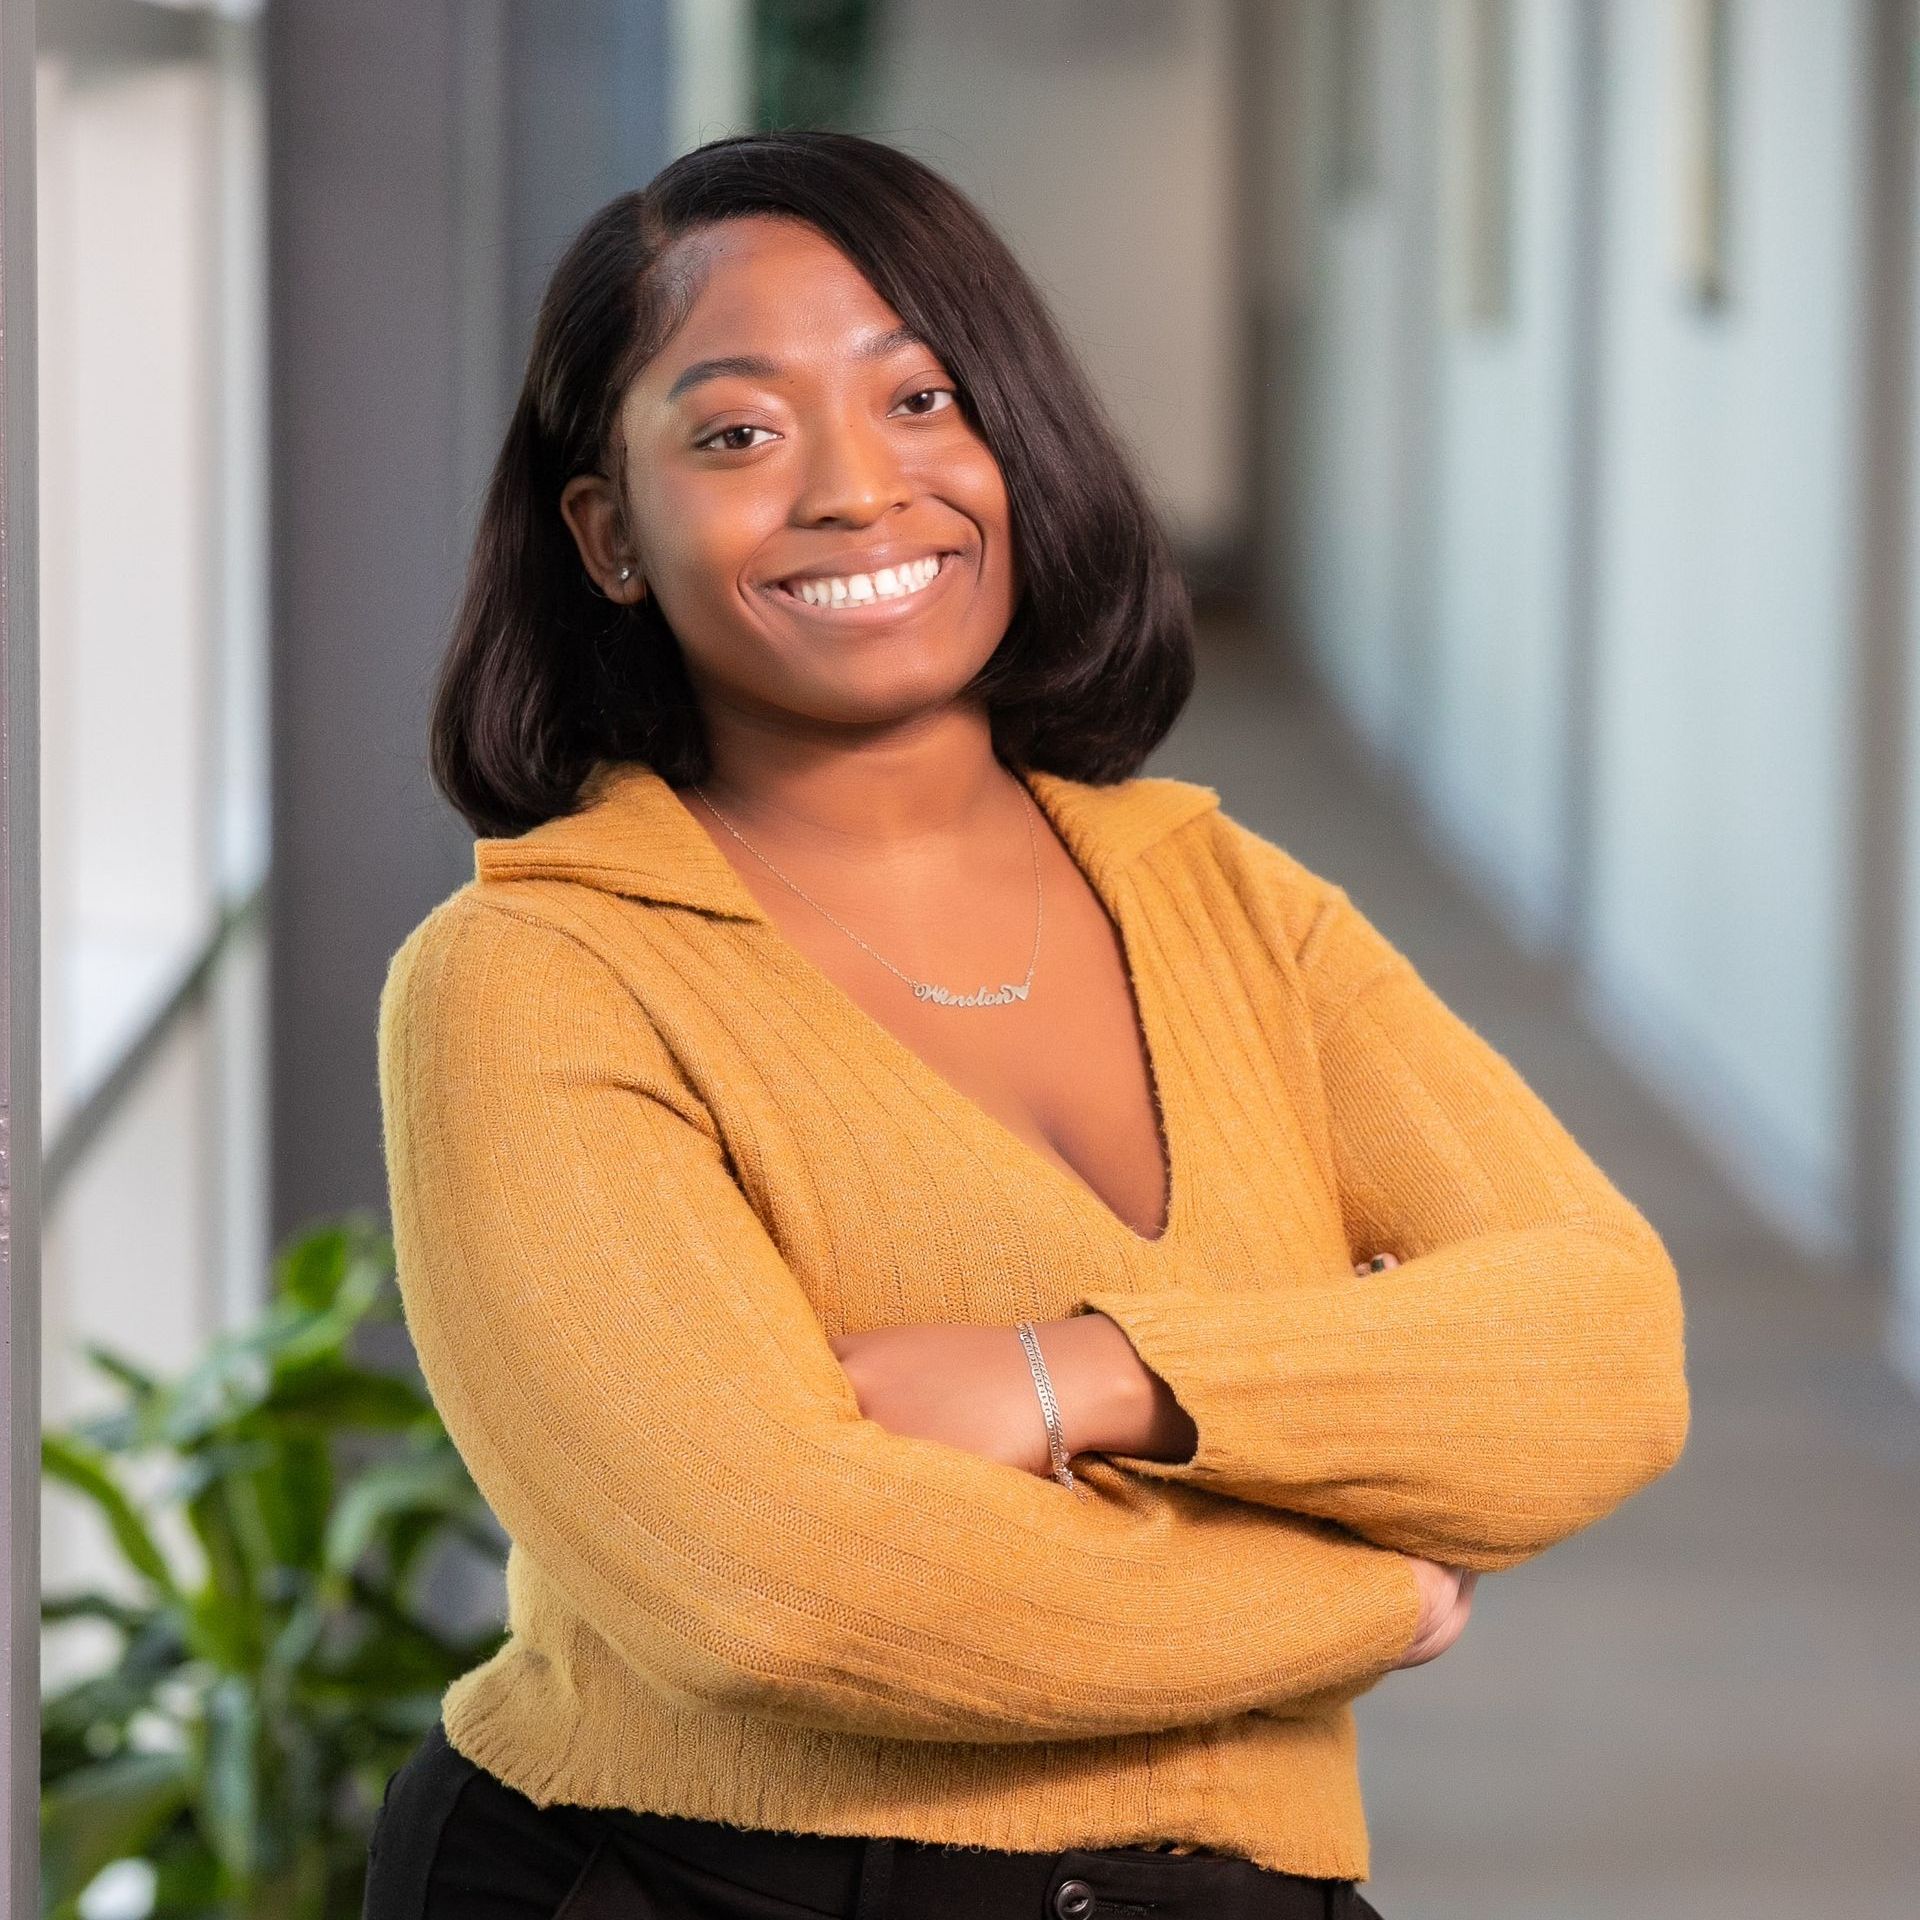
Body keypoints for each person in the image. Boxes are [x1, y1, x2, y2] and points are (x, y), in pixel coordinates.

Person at [365, 130, 1690, 1920]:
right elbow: (771, 1582)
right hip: (697, 1886)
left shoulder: (1229, 902)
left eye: (921, 398)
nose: (852, 488)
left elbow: (1601, 1346)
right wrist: (1370, 1588)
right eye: (737, 433)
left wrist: (1079, 1378)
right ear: (611, 533)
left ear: (1016, 439)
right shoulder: (533, 980)